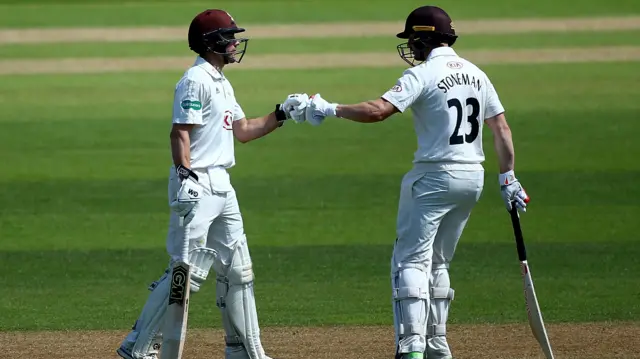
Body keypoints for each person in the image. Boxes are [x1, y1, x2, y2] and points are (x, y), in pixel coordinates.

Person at [294, 5, 530, 359]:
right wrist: (508, 177)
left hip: (435, 176)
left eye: (413, 40)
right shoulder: (478, 74)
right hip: (473, 178)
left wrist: (330, 108)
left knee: (411, 262)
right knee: (439, 262)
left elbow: (378, 110)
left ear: (424, 39)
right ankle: (437, 344)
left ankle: (412, 348)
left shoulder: (423, 74)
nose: (411, 48)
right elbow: (502, 129)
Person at [116, 9, 308, 359]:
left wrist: (282, 114)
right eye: (229, 36)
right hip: (197, 184)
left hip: (222, 184)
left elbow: (244, 130)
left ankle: (244, 351)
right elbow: (180, 132)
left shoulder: (221, 80)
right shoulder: (195, 80)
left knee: (238, 269)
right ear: (212, 42)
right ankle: (139, 346)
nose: (236, 42)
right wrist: (185, 175)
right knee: (186, 272)